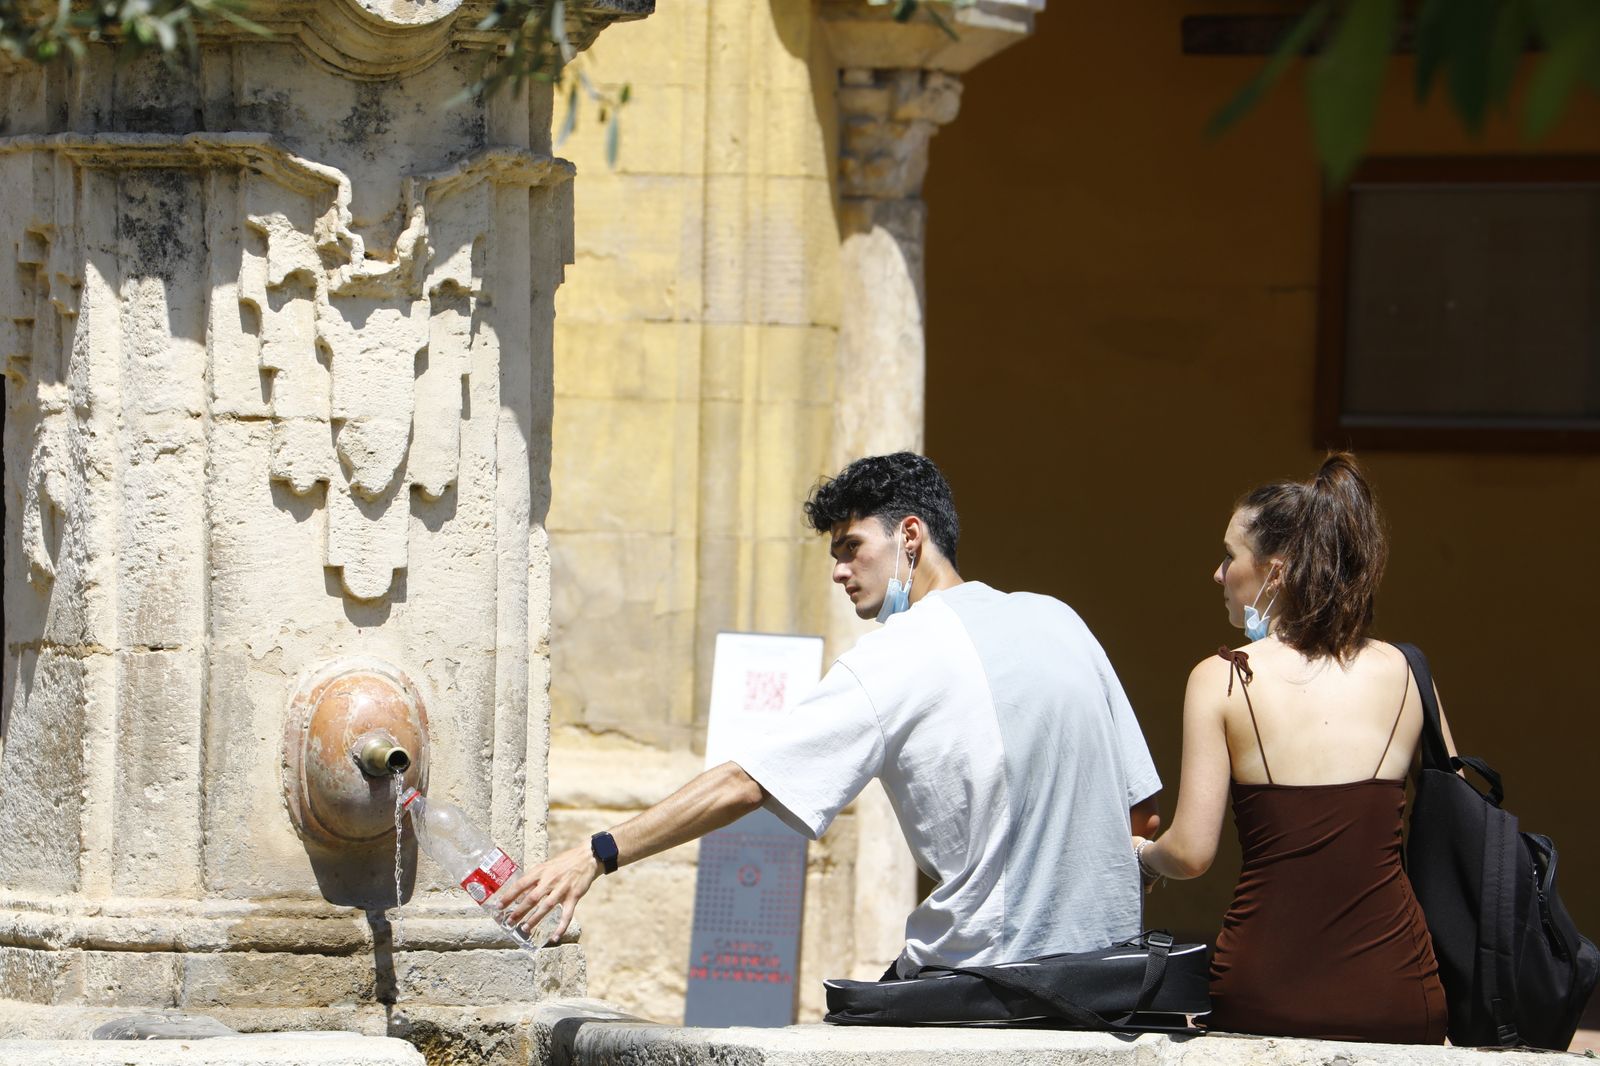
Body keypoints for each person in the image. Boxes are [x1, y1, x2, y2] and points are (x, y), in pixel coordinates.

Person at [501, 451, 1162, 978]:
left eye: (851, 547)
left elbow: (746, 781)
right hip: (1112, 970)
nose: (840, 572)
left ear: (911, 536)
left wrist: (598, 852)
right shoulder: (1060, 618)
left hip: (990, 975)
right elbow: (1144, 817)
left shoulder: (898, 653)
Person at [1131, 453, 1451, 1043]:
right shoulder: (1407, 671)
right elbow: (1451, 827)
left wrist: (1142, 857)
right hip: (1399, 987)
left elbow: (1192, 853)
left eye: (1230, 557)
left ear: (1275, 572)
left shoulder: (1221, 678)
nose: (1218, 573)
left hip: (1265, 989)